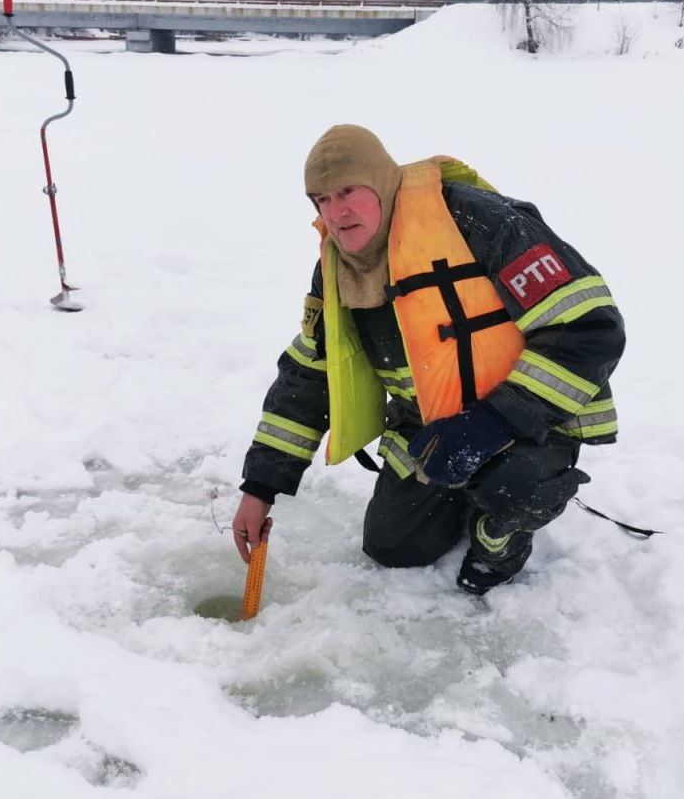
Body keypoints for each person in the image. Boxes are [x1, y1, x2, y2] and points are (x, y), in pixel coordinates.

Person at [232, 124, 625, 594]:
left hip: (524, 421)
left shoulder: (479, 223)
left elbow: (588, 327)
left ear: (381, 181)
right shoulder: (337, 267)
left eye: (348, 191)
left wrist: (493, 423)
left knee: (514, 487)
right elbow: (309, 375)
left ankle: (500, 536)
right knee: (393, 549)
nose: (336, 213)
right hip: (429, 428)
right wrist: (260, 488)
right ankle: (463, 493)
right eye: (321, 200)